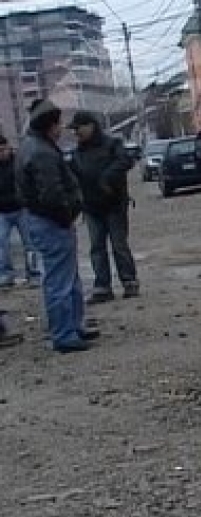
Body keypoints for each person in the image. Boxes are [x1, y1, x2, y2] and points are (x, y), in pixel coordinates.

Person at [14, 98, 99, 353]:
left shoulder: (32, 146)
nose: (61, 128)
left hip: (46, 221)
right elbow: (51, 194)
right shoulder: (41, 152)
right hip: (52, 222)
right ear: (49, 125)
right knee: (60, 281)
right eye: (57, 123)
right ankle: (64, 333)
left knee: (66, 277)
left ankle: (72, 327)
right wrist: (68, 213)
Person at [68, 111, 139, 304]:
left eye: (78, 128)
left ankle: (129, 281)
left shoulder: (112, 144)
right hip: (91, 208)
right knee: (97, 248)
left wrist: (107, 178)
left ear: (91, 126)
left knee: (119, 245)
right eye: (74, 130)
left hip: (114, 204)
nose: (76, 133)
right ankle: (102, 286)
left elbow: (125, 161)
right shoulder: (77, 153)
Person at [0, 135, 41, 288]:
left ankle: (34, 274)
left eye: (4, 149)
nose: (2, 153)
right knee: (1, 244)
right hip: (2, 211)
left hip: (21, 208)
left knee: (30, 244)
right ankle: (5, 274)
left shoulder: (19, 162)